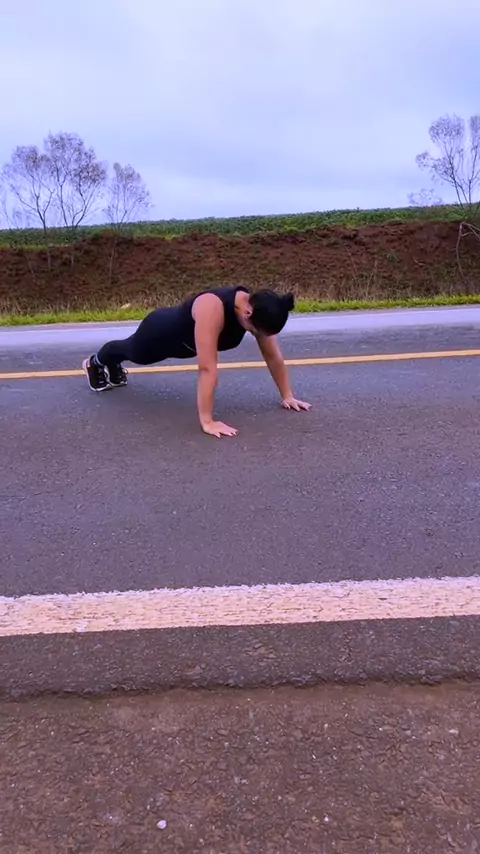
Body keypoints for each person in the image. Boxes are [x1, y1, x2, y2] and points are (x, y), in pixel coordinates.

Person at [82, 285, 311, 438]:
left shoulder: (259, 310)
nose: (256, 335)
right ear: (248, 314)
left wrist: (287, 396)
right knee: (133, 352)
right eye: (255, 331)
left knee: (132, 354)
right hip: (159, 334)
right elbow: (207, 368)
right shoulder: (213, 307)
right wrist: (207, 421)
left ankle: (112, 365)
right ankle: (95, 362)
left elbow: (273, 356)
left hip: (184, 346)